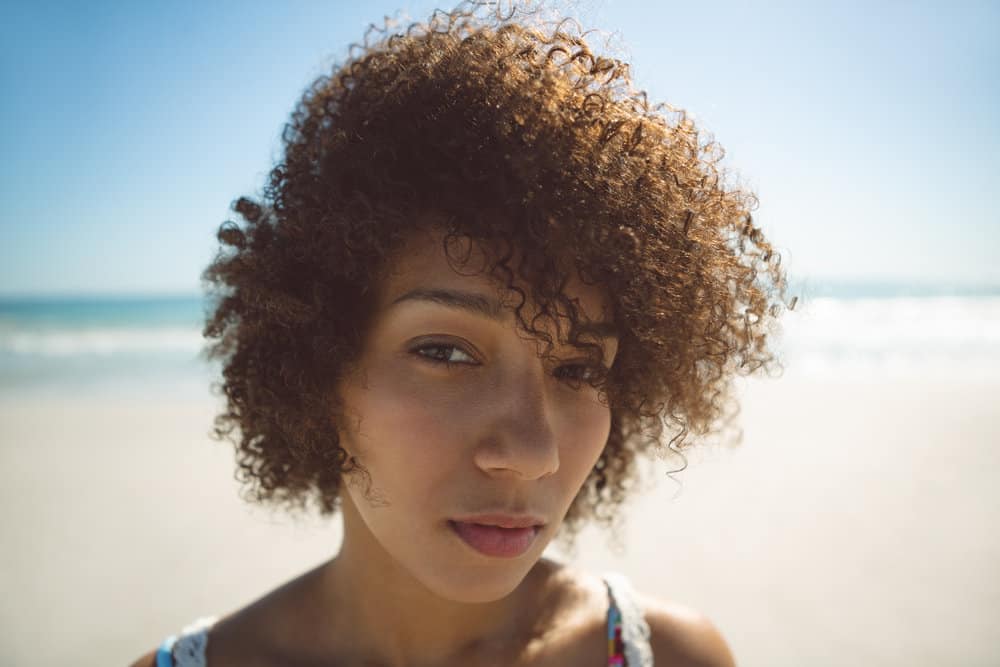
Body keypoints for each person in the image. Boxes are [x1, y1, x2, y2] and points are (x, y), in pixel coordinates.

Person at [131, 1, 793, 665]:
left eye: (580, 369)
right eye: (446, 352)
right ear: (315, 366)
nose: (534, 452)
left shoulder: (674, 656)